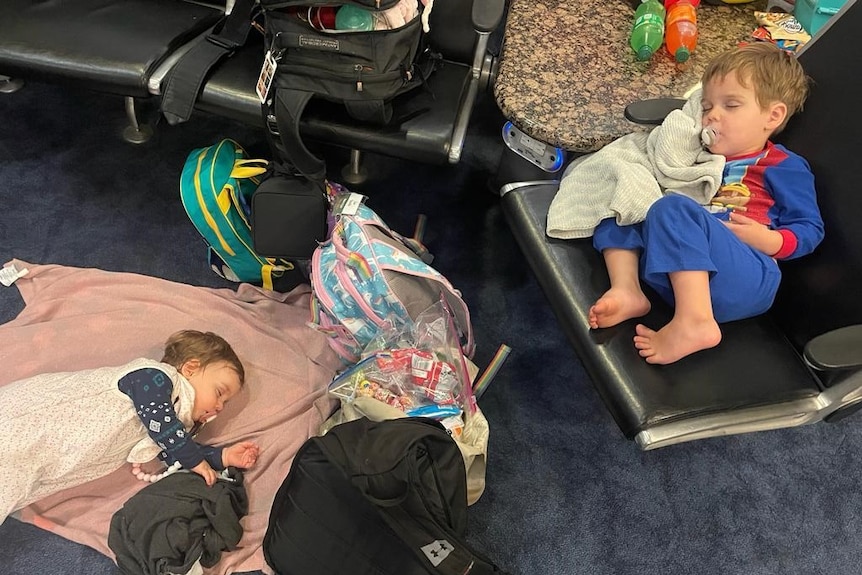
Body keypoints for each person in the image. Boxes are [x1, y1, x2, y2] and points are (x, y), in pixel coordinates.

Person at [587, 42, 824, 364]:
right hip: (674, 272)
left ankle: (695, 322)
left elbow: (809, 229)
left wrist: (767, 239)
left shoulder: (783, 165)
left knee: (672, 209)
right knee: (625, 196)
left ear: (773, 115)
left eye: (731, 105)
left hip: (747, 274)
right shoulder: (699, 156)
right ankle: (628, 289)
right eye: (707, 105)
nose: (712, 115)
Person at [0, 329, 260, 524]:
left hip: (47, 461)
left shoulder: (174, 426)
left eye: (225, 403)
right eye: (219, 392)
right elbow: (162, 424)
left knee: (13, 485)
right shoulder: (156, 377)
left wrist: (221, 456)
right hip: (32, 425)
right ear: (191, 368)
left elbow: (172, 453)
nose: (219, 407)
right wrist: (194, 458)